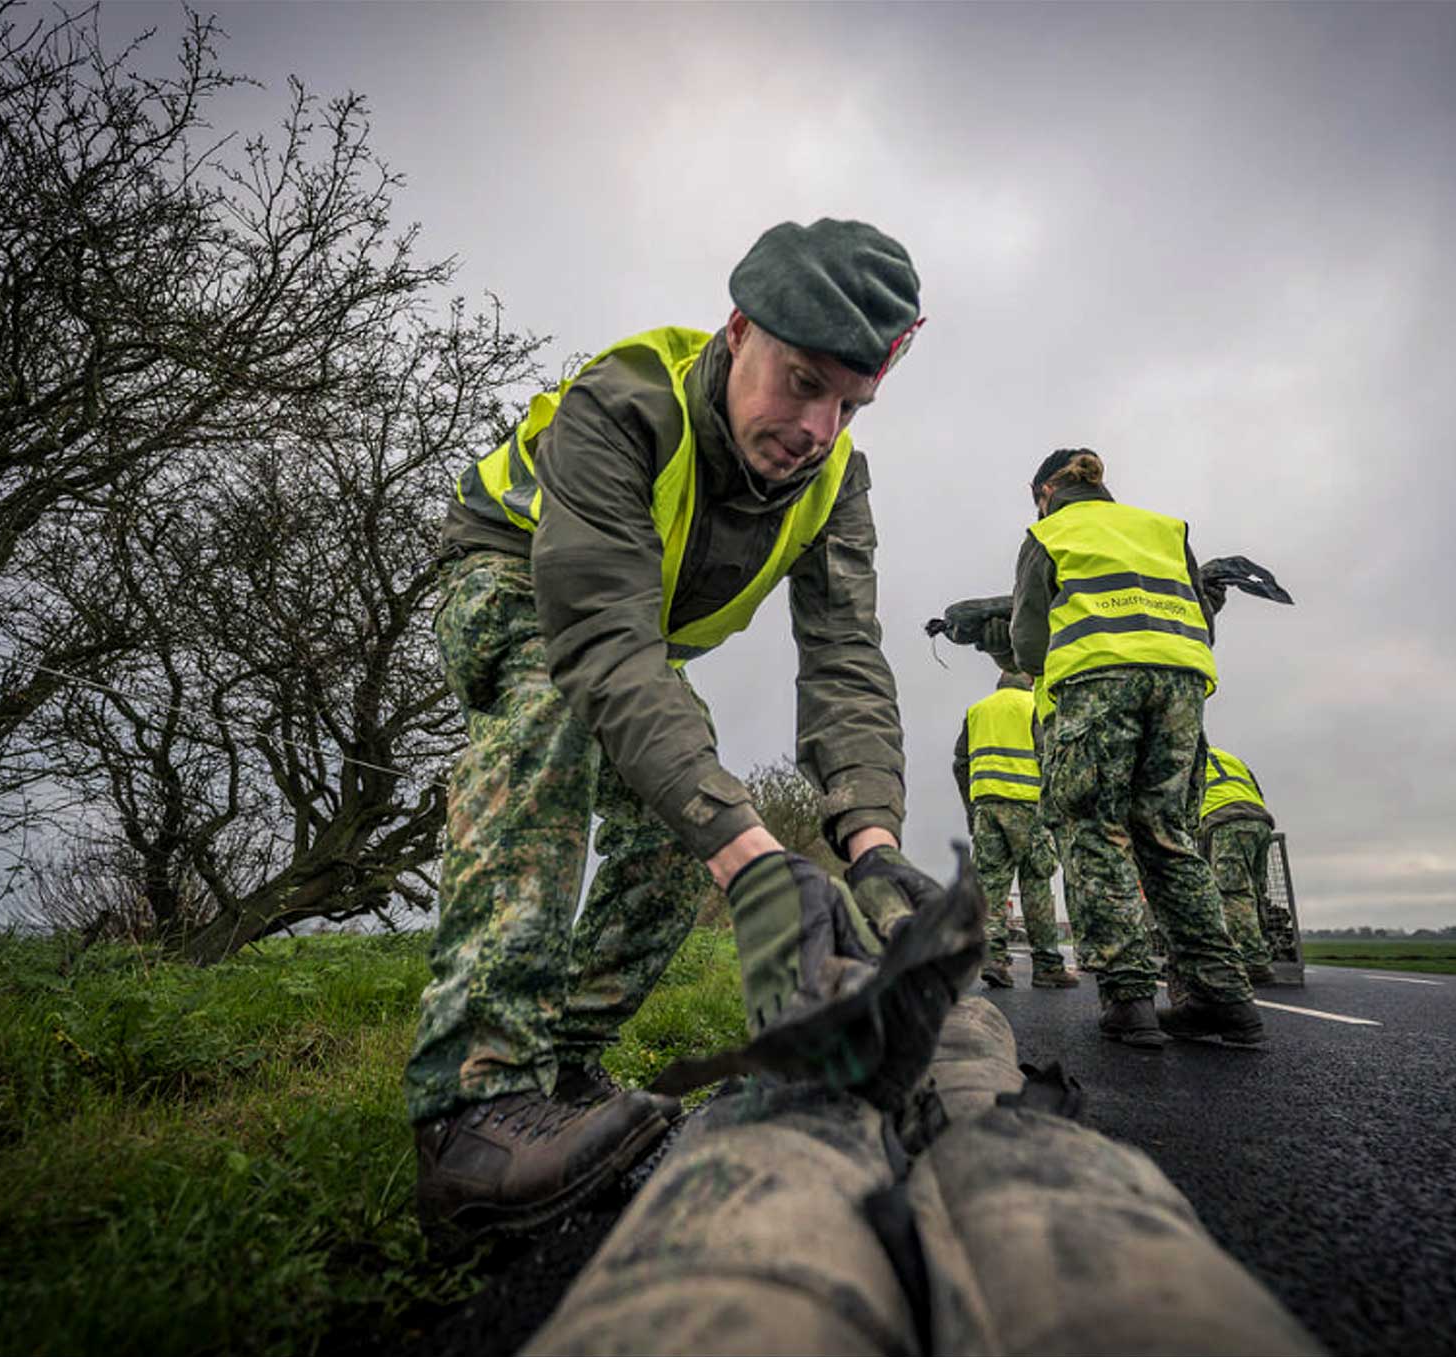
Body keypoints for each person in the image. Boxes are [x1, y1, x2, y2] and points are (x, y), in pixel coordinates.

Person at [406, 219, 953, 1238]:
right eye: (801, 383)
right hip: (518, 584)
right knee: (559, 714)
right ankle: (471, 1115)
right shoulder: (618, 404)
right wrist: (748, 861)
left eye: (849, 402)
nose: (818, 429)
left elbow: (845, 663)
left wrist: (870, 846)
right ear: (737, 330)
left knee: (690, 806)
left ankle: (560, 1067)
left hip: (627, 637)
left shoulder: (837, 483)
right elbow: (600, 640)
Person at [1009, 447, 1264, 1049]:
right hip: (1182, 684)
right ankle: (1222, 996)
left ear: (1044, 491)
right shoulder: (1165, 530)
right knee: (1169, 834)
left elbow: (1027, 644)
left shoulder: (1047, 533)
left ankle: (1129, 998)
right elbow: (1202, 616)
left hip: (1098, 682)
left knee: (1097, 831)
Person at [951, 668, 1075, 988]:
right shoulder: (1034, 704)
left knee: (991, 884)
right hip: (1027, 805)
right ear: (1030, 680)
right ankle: (1047, 964)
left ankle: (993, 958)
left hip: (986, 806)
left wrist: (971, 808)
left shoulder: (977, 711)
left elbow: (960, 764)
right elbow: (1047, 756)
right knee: (1036, 880)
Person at [1199, 745, 1281, 985]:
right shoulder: (1229, 757)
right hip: (1259, 820)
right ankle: (1264, 950)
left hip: (1224, 821)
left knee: (1232, 892)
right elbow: (1256, 789)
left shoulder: (1189, 760)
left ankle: (1252, 961)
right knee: (1256, 890)